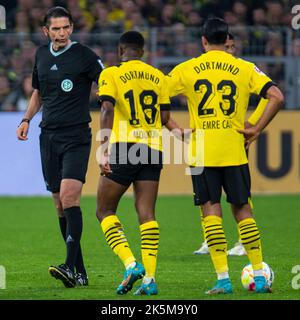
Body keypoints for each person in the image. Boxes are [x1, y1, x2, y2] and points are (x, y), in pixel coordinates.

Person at [167, 18, 284, 294]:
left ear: (204, 41)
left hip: (201, 153)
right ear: (227, 40)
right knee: (243, 210)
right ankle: (259, 274)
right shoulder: (244, 67)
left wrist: (175, 129)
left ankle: (223, 279)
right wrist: (255, 129)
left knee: (210, 212)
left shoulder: (187, 69)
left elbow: (159, 96)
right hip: (234, 150)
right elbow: (277, 96)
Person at [16, 6, 104, 288]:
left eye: (66, 27)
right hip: (48, 137)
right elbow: (38, 93)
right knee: (59, 203)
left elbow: (107, 83)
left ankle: (68, 265)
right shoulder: (41, 55)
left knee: (69, 197)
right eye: (56, 28)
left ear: (71, 29)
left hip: (77, 135)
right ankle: (79, 271)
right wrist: (26, 119)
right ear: (46, 31)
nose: (62, 32)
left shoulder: (84, 55)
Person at [96, 31, 170, 296]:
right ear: (143, 51)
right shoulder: (158, 76)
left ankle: (131, 264)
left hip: (124, 148)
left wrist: (104, 149)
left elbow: (106, 109)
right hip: (153, 148)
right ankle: (150, 279)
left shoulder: (111, 74)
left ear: (120, 50)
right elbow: (164, 115)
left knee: (104, 211)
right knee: (147, 214)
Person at [194, 33, 268, 256]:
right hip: (206, 139)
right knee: (206, 197)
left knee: (238, 196)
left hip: (231, 138)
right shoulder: (204, 69)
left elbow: (268, 97)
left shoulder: (240, 69)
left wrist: (252, 123)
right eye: (227, 46)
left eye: (233, 46)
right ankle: (211, 237)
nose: (231, 50)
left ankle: (243, 241)